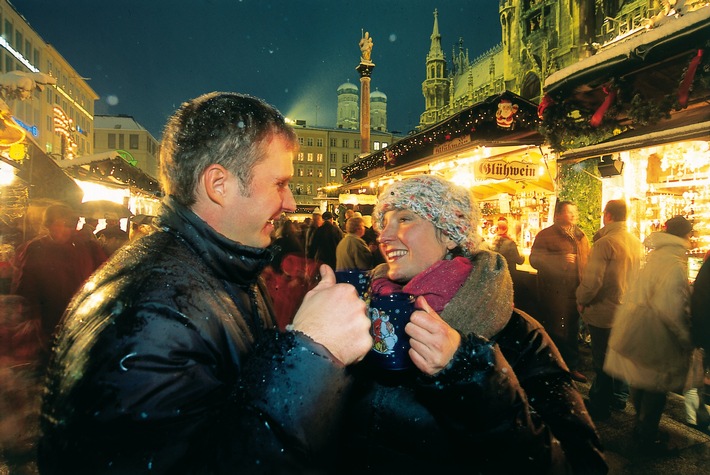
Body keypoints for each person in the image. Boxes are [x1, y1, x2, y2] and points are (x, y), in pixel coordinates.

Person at [38, 92, 372, 474]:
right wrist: (312, 354)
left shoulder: (225, 267)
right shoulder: (150, 314)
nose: (292, 203)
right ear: (219, 184)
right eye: (279, 183)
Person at [340, 175, 607, 474]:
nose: (383, 236)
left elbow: (579, 463)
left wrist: (468, 372)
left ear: (451, 234)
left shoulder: (517, 333)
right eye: (383, 222)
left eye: (404, 218)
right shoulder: (367, 309)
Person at [604, 215, 694, 453]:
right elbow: (671, 308)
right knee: (655, 386)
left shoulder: (656, 256)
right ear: (685, 236)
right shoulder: (674, 263)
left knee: (641, 380)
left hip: (638, 328)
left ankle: (640, 426)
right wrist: (686, 337)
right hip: (656, 333)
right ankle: (646, 435)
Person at [576, 200, 643, 421]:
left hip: (604, 312)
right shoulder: (635, 242)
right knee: (620, 356)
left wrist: (581, 299)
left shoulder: (605, 243)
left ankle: (600, 404)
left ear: (608, 216)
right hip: (627, 310)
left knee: (602, 358)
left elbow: (593, 281)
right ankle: (619, 397)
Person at [11, 204, 106, 361]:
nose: (67, 228)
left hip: (80, 317)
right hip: (49, 319)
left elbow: (102, 275)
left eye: (70, 223)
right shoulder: (36, 248)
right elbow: (26, 285)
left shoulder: (86, 247)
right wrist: (31, 317)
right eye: (62, 223)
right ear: (48, 225)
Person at [530, 200, 590, 382]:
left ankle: (570, 366)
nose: (573, 215)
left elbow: (587, 260)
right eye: (569, 212)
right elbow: (535, 260)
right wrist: (559, 261)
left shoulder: (580, 236)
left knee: (571, 328)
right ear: (558, 215)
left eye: (574, 211)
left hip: (575, 289)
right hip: (553, 292)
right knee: (556, 329)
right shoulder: (546, 235)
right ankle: (554, 366)